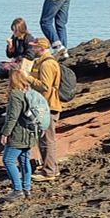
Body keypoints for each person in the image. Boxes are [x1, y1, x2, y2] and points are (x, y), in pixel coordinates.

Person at [0, 70, 38, 202]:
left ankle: (17, 190)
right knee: (24, 160)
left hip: (19, 134)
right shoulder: (29, 93)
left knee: (8, 160)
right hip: (30, 132)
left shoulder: (15, 95)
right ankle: (26, 188)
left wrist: (5, 133)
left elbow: (13, 117)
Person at [29, 38, 63, 181]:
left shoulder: (47, 64)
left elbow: (45, 87)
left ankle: (49, 171)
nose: (33, 49)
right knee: (44, 138)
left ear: (41, 48)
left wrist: (28, 78)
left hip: (48, 106)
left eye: (35, 47)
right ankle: (49, 167)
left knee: (47, 139)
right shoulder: (42, 62)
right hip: (45, 106)